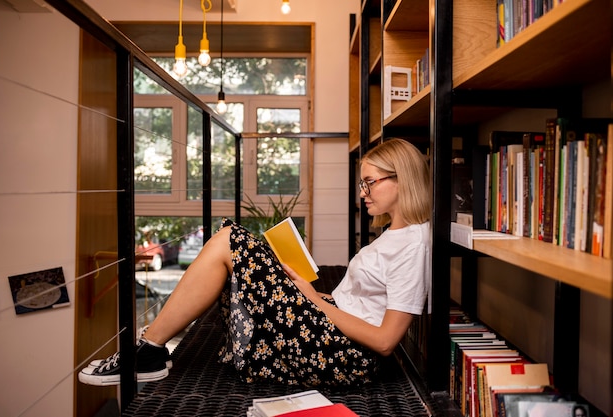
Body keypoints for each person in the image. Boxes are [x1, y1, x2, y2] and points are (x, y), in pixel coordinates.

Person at [78, 138, 432, 387]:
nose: (363, 192)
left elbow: (386, 340)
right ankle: (150, 348)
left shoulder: (413, 244)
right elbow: (362, 304)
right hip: (330, 326)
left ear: (403, 180)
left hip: (344, 354)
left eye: (370, 182)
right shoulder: (394, 236)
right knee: (234, 242)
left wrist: (312, 302)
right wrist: (318, 299)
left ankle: (149, 349)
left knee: (231, 241)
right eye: (361, 183)